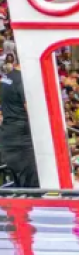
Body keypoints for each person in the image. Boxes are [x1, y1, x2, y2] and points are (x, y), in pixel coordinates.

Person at [0, 54, 39, 187]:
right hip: (22, 139)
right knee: (31, 183)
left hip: (8, 135)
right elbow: (31, 112)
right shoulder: (23, 80)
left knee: (18, 182)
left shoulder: (7, 78)